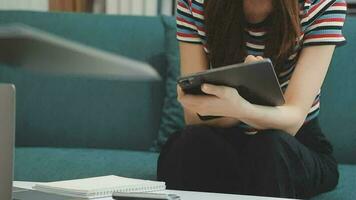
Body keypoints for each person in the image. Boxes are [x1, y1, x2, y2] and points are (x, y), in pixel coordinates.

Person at [157, 0, 347, 199]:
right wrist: (234, 107)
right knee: (185, 146)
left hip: (293, 142)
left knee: (270, 149)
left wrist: (243, 107)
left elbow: (293, 120)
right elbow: (194, 118)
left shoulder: (323, 4)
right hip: (221, 136)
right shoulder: (194, 3)